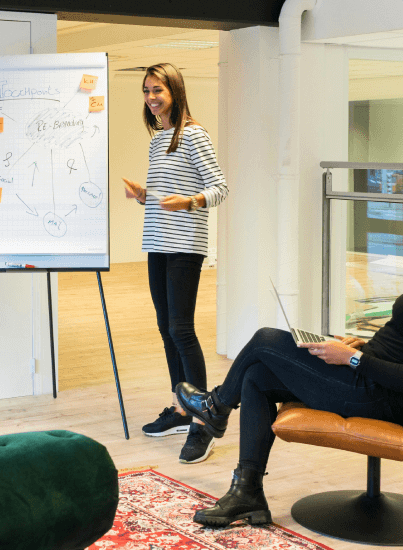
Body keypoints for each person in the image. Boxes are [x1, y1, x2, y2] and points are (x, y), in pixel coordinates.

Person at [176, 202, 403, 526]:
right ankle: (246, 493)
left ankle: (216, 408)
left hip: (375, 395)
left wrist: (351, 358)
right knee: (257, 375)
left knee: (265, 339)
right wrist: (361, 346)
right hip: (369, 380)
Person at [122, 63, 228, 464]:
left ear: (175, 93)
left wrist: (191, 201)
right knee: (166, 328)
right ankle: (182, 408)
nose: (151, 98)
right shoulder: (158, 139)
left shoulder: (194, 134)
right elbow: (166, 194)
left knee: (181, 329)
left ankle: (204, 420)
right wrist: (144, 195)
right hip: (158, 242)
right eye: (146, 91)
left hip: (185, 245)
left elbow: (220, 188)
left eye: (158, 91)